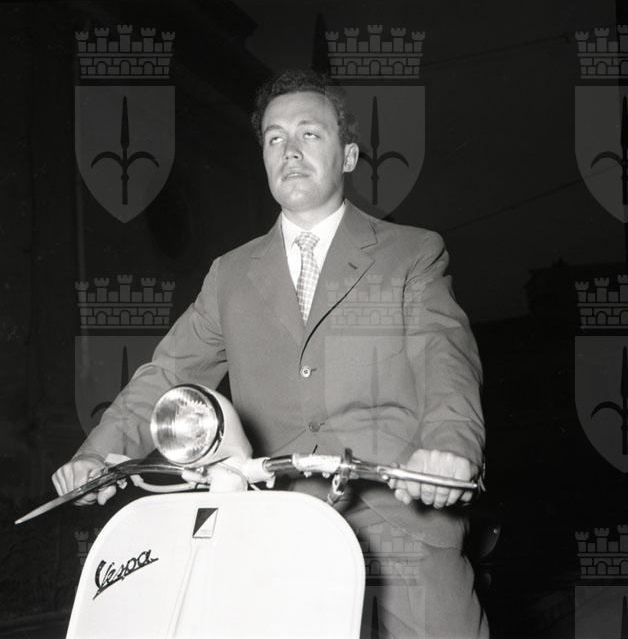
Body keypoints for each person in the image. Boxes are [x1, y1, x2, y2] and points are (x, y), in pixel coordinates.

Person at [53, 69, 487, 638]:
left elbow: (446, 362)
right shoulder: (230, 274)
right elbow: (168, 371)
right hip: (275, 532)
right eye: (274, 138)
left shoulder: (411, 254)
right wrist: (97, 455)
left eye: (310, 133)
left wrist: (451, 450)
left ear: (348, 155)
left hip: (399, 520)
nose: (290, 150)